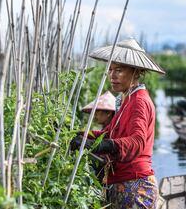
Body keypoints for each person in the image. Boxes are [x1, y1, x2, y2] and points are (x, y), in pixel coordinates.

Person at [70, 38, 165, 209]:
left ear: (136, 72)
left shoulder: (139, 101)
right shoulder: (126, 99)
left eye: (119, 70)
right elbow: (110, 134)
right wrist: (77, 134)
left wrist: (101, 146)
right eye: (110, 70)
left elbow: (137, 141)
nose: (112, 76)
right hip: (121, 182)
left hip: (136, 187)